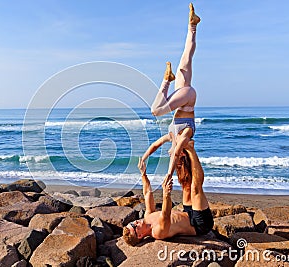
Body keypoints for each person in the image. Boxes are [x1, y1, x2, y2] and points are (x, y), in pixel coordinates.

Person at [148, 3, 200, 187]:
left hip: (185, 94)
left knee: (187, 56)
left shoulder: (171, 135)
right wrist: (169, 174)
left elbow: (155, 145)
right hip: (187, 98)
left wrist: (144, 159)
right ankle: (166, 80)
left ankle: (192, 25)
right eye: (175, 157)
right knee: (155, 111)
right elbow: (177, 150)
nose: (170, 154)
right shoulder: (185, 137)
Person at [122, 141, 213, 246]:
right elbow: (166, 214)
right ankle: (191, 150)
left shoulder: (147, 217)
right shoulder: (158, 232)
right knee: (195, 189)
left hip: (188, 213)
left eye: (131, 223)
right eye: (134, 227)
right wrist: (166, 194)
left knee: (187, 184)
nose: (135, 222)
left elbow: (147, 193)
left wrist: (143, 174)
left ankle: (184, 152)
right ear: (139, 235)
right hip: (199, 224)